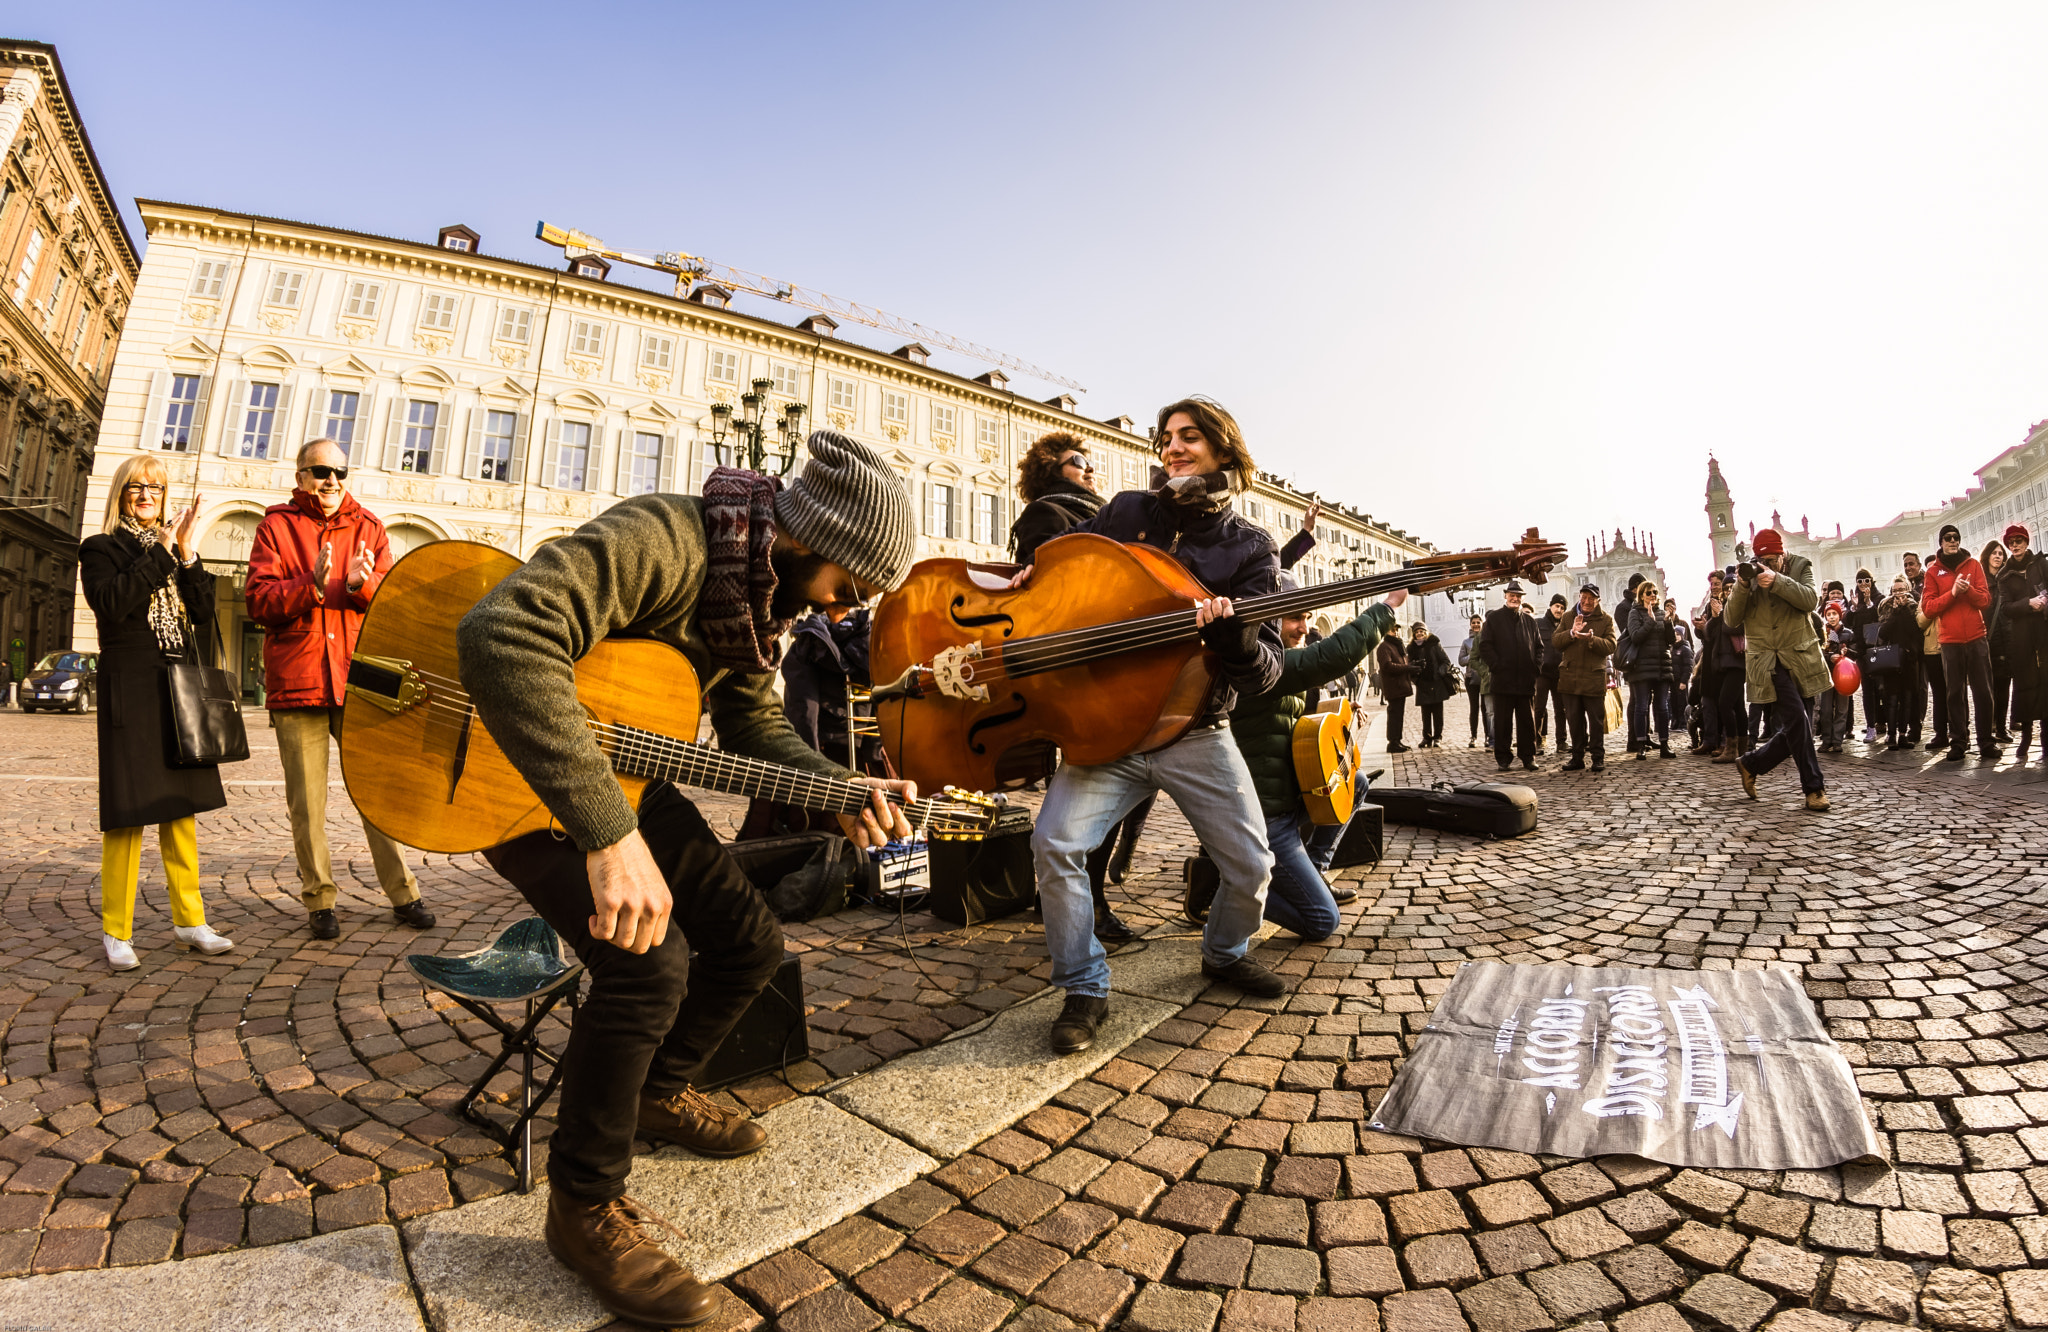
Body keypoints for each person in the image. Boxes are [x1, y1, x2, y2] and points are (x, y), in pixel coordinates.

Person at [455, 430, 919, 1328]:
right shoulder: (665, 539)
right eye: (848, 587)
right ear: (808, 541)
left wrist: (839, 788)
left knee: (749, 940)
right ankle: (584, 1206)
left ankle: (658, 1092)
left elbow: (751, 728)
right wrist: (609, 835)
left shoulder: (754, 608)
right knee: (647, 961)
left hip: (622, 773)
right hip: (512, 775)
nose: (844, 609)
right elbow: (501, 634)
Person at [1020, 396, 1294, 1062]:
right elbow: (1071, 579)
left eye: (1190, 437)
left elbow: (1264, 675)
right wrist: (1039, 572)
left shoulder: (1250, 546)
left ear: (1224, 449)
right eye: (1166, 437)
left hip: (1195, 728)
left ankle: (1224, 952)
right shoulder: (1128, 513)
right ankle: (1083, 985)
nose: (1173, 447)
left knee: (1252, 866)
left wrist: (1233, 642)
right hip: (1107, 730)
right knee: (1055, 843)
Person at [245, 439, 435, 940]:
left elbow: (388, 601)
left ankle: (404, 892)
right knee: (307, 803)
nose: (332, 481)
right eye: (321, 472)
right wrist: (311, 583)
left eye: (340, 472)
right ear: (301, 475)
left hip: (357, 680)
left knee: (376, 792)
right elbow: (258, 602)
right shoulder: (276, 526)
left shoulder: (369, 527)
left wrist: (357, 586)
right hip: (299, 680)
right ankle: (320, 899)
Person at [79, 455, 235, 970]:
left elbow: (204, 613)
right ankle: (116, 930)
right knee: (127, 814)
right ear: (121, 493)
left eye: (156, 488)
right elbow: (112, 603)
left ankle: (190, 921)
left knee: (179, 808)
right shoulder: (100, 548)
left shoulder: (173, 553)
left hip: (177, 688)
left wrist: (187, 555)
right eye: (135, 487)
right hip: (133, 691)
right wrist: (163, 555)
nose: (146, 494)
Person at [1008, 433, 1150, 933]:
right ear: (1052, 471)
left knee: (1123, 777)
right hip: (1076, 665)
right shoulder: (1047, 514)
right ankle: (1082, 901)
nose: (1090, 470)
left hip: (1108, 660)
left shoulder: (1111, 517)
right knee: (1106, 778)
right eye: (1078, 463)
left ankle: (1072, 894)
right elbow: (1052, 585)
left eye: (1091, 463)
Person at [1225, 584, 1405, 940]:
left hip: (1285, 797)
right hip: (1267, 817)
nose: (1304, 628)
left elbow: (1294, 719)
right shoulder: (1257, 664)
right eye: (1295, 617)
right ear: (1268, 620)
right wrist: (1387, 606)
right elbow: (1330, 657)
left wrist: (1339, 709)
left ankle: (1317, 867)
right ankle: (1231, 887)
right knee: (1323, 921)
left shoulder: (1274, 663)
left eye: (1307, 617)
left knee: (1358, 782)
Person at [1727, 529, 1831, 812]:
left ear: (1783, 555)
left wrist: (1778, 581)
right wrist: (1742, 586)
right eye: (1763, 560)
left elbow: (1811, 599)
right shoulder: (1748, 575)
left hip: (1800, 657)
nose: (1767, 565)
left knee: (1800, 727)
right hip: (1769, 661)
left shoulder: (1800, 566)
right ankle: (1814, 788)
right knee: (1797, 719)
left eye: (1773, 560)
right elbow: (1731, 619)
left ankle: (1751, 764)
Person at [1921, 522, 1997, 762]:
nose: (1953, 541)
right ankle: (1958, 741)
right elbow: (1928, 608)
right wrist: (1953, 593)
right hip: (1950, 641)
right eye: (1948, 538)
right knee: (1954, 693)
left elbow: (1985, 600)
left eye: (1956, 537)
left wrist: (1968, 591)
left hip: (1976, 637)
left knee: (1983, 692)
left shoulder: (1974, 565)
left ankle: (1986, 741)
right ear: (1941, 543)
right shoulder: (1933, 572)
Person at [1479, 580, 1543, 772]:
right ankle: (1503, 758)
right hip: (1503, 680)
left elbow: (1539, 647)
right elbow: (1485, 646)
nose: (1515, 598)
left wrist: (1535, 668)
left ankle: (1528, 757)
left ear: (1522, 598)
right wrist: (1497, 666)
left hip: (1525, 680)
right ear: (1505, 596)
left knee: (1527, 722)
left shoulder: (1530, 621)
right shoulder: (1494, 619)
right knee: (1502, 723)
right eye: (1512, 595)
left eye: (1518, 596)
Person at [1997, 525, 2048, 761]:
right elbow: (2006, 609)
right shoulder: (2004, 575)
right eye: (2011, 542)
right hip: (2021, 636)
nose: (2015, 545)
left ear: (2026, 542)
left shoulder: (2041, 564)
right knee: (2025, 686)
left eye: (2019, 540)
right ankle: (2026, 737)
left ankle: (2046, 740)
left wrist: (2044, 600)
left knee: (2046, 682)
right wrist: (2029, 603)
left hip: (2044, 632)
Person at [1553, 582, 1616, 773]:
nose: (1587, 601)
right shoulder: (1568, 617)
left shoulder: (1606, 619)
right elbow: (1556, 641)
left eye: (1591, 598)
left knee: (1596, 721)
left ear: (1598, 600)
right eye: (1584, 597)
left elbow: (1611, 645)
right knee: (1574, 720)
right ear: (1579, 597)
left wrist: (1592, 639)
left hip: (1593, 679)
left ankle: (1598, 758)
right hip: (1570, 678)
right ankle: (1577, 758)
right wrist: (1571, 632)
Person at [1625, 581, 1677, 759]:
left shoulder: (1662, 613)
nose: (1653, 595)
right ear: (1641, 596)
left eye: (1655, 592)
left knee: (1662, 707)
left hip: (1662, 667)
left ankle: (1664, 743)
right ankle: (1641, 744)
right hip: (1642, 668)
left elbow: (1670, 640)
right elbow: (1636, 637)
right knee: (1641, 707)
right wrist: (1649, 621)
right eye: (1649, 592)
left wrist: (1669, 622)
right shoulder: (1634, 613)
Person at [1876, 575, 1922, 749]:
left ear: (1908, 590)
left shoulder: (1913, 608)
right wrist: (1895, 613)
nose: (1898, 594)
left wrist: (1904, 611)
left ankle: (1903, 734)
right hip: (1891, 660)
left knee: (1907, 698)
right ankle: (1892, 735)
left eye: (1901, 590)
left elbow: (1915, 631)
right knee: (1893, 699)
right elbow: (1883, 633)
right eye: (1895, 591)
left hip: (1909, 659)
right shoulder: (1886, 607)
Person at [1845, 569, 1884, 743]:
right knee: (1867, 689)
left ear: (1872, 581)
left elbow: (1880, 619)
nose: (1863, 584)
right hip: (1861, 651)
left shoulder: (1879, 598)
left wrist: (1869, 604)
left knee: (1882, 688)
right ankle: (1871, 726)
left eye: (1866, 580)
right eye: (1859, 581)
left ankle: (1885, 723)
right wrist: (1853, 608)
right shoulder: (1854, 601)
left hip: (1877, 649)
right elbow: (1847, 624)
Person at [1982, 541, 2013, 745]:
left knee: (2003, 687)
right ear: (1987, 556)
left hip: (2007, 641)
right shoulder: (1981, 581)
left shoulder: (2008, 580)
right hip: (1986, 641)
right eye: (1994, 553)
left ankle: (2001, 727)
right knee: (1987, 689)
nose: (1998, 556)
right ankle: (1988, 728)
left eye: (2001, 553)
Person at [1815, 604, 1857, 753]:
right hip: (1827, 675)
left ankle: (1837, 740)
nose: (1832, 617)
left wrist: (1848, 651)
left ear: (1840, 615)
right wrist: (1829, 657)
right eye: (1829, 614)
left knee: (1842, 709)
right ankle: (1827, 740)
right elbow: (1817, 653)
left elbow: (1856, 652)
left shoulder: (1848, 633)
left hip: (1844, 676)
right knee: (1825, 710)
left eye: (1834, 613)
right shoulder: (1822, 633)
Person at [1533, 592, 1568, 752]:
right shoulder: (1539, 623)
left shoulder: (1565, 626)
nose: (1559, 610)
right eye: (1556, 606)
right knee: (1539, 708)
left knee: (1560, 709)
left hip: (1559, 674)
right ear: (1551, 606)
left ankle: (1561, 742)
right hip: (1542, 673)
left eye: (1562, 607)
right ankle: (1536, 740)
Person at [1410, 622, 1453, 748]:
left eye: (1422, 631)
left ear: (1426, 632)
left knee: (1438, 713)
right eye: (1417, 632)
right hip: (1423, 684)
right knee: (1426, 714)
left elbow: (1446, 661)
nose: (1420, 634)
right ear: (1414, 634)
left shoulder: (1434, 644)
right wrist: (1416, 680)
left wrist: (1439, 672)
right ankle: (1426, 738)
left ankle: (1438, 737)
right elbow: (1410, 666)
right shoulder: (1411, 648)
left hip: (1436, 682)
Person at [1377, 624, 1414, 753]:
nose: (1396, 632)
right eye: (1393, 630)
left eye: (1397, 630)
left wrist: (1411, 665)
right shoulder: (1384, 646)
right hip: (1393, 687)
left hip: (1400, 686)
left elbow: (1402, 662)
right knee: (1394, 715)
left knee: (1399, 715)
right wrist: (1408, 668)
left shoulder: (1397, 646)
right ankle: (1392, 742)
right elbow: (1387, 666)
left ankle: (1397, 740)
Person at [1459, 613, 1492, 748]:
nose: (1476, 625)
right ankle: (1473, 736)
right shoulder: (1466, 642)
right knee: (1474, 708)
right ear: (1470, 625)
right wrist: (1474, 655)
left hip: (1484, 678)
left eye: (1478, 622)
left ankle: (1488, 736)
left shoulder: (1486, 639)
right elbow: (1461, 661)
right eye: (1474, 622)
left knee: (1486, 709)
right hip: (1471, 678)